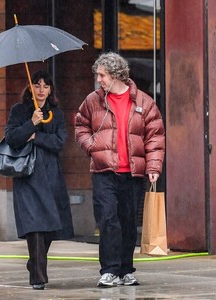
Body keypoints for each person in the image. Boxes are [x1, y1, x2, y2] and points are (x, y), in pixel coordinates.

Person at [75, 52, 165, 287]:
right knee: (107, 220)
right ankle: (109, 270)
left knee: (127, 222)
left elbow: (155, 137)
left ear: (117, 75)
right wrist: (92, 147)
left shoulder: (144, 103)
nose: (99, 80)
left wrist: (154, 166)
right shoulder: (93, 100)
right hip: (104, 171)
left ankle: (126, 269)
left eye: (102, 75)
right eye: (98, 74)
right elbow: (80, 125)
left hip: (132, 174)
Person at [5, 70, 74, 290]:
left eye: (46, 86)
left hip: (51, 174)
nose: (41, 90)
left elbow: (60, 142)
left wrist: (37, 136)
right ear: (30, 87)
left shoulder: (57, 113)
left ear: (51, 89)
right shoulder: (19, 111)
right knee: (35, 226)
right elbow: (12, 139)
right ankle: (38, 278)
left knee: (51, 226)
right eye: (37, 85)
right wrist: (30, 124)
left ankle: (34, 262)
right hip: (28, 175)